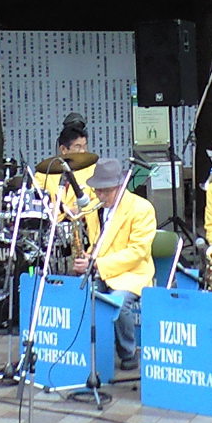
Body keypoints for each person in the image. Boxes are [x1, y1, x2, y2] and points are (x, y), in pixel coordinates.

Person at [74, 158, 156, 370]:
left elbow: (138, 252)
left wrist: (97, 264)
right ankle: (88, 351)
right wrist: (87, 258)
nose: (100, 196)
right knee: (80, 298)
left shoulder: (141, 208)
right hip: (100, 268)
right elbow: (96, 242)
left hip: (132, 273)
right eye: (98, 191)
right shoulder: (95, 208)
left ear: (120, 187)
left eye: (106, 191)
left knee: (117, 303)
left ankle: (128, 352)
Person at [34, 119, 97, 219]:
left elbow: (100, 199)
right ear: (63, 149)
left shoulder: (93, 170)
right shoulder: (43, 174)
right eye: (78, 147)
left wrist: (82, 210)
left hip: (84, 228)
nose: (83, 151)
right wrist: (62, 210)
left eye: (85, 146)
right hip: (54, 228)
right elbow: (36, 202)